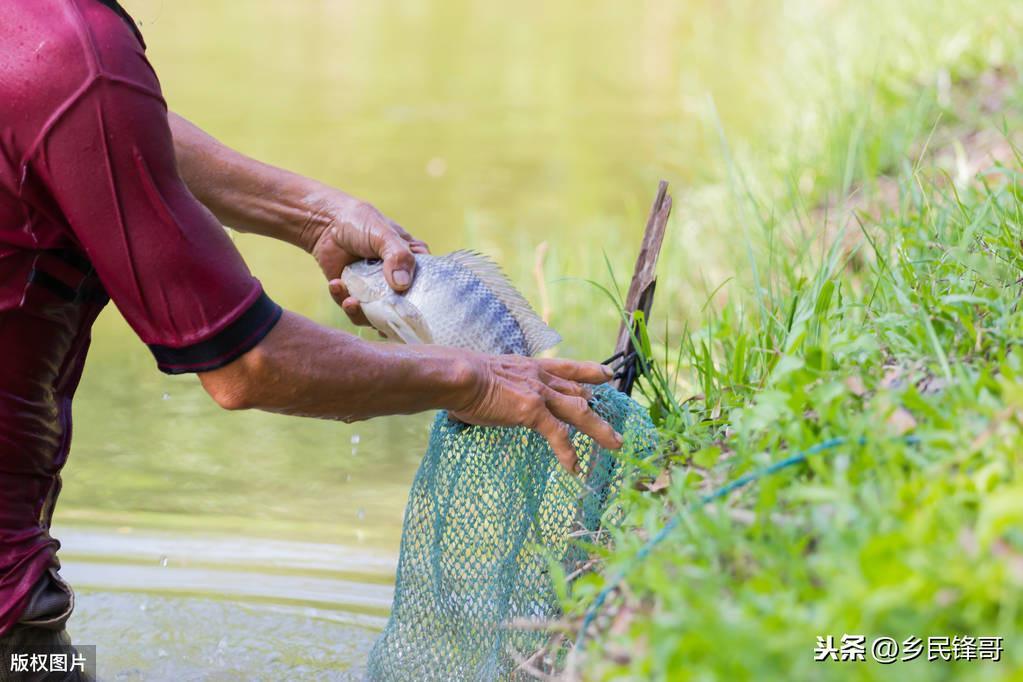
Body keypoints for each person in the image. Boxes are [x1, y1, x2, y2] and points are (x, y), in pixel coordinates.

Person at [0, 0, 622, 675]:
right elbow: (247, 364)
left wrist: (312, 216)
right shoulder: (73, 48)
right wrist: (473, 379)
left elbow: (85, 121)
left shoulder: (45, 44)